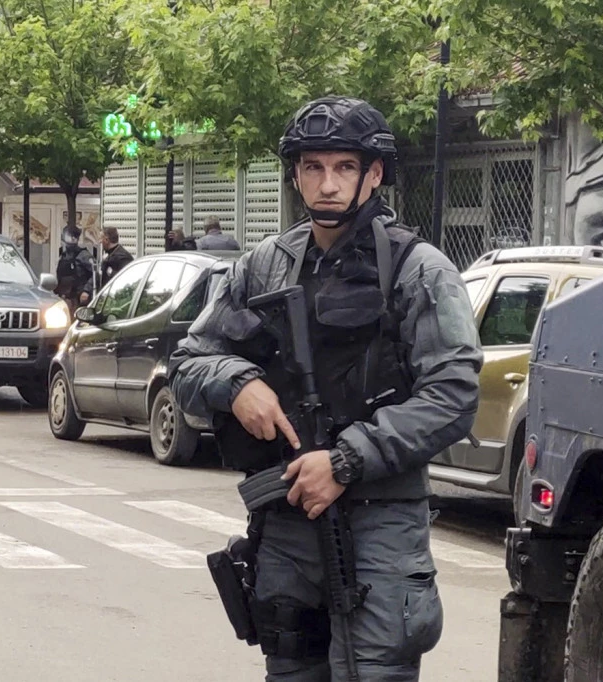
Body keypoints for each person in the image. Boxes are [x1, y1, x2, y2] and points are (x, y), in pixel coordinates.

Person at [169, 95, 482, 681]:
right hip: (288, 518)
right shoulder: (264, 265)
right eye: (313, 167)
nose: (328, 184)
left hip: (379, 522)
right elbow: (187, 360)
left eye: (344, 167)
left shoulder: (419, 270)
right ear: (296, 174)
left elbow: (453, 396)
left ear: (375, 174)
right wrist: (237, 384)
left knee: (372, 670)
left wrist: (344, 461)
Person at [55, 224, 95, 310]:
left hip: (79, 299)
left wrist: (86, 291)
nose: (71, 239)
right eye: (68, 236)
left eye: (74, 237)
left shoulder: (84, 255)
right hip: (64, 298)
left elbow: (95, 274)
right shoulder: (63, 256)